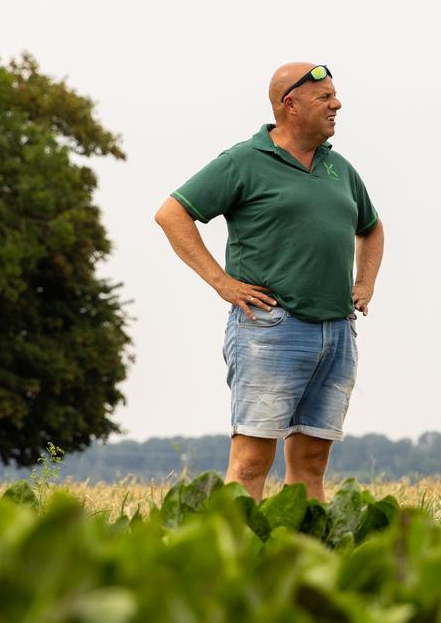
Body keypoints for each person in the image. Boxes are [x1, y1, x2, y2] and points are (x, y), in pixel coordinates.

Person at [155, 62, 384, 500]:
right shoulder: (243, 161)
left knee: (312, 464)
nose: (337, 104)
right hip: (270, 328)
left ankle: (304, 543)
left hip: (337, 330)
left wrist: (366, 283)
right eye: (325, 97)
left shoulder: (340, 168)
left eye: (335, 95)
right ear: (290, 105)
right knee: (250, 464)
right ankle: (235, 543)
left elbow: (371, 228)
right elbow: (171, 214)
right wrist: (222, 283)